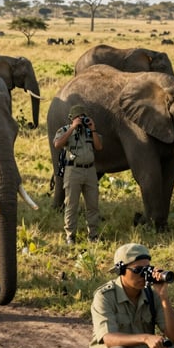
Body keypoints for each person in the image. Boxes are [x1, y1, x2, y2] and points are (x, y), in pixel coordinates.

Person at [53, 104, 103, 244]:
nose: (81, 119)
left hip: (90, 171)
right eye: (78, 117)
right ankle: (70, 236)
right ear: (72, 118)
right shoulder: (64, 130)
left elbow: (99, 146)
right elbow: (57, 144)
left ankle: (93, 235)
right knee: (71, 205)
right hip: (73, 171)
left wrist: (93, 129)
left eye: (83, 117)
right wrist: (72, 128)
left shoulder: (89, 132)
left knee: (93, 205)